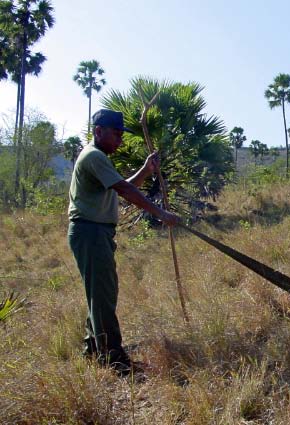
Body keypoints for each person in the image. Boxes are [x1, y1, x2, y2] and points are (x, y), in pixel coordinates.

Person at [68, 109, 180, 376]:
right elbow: (125, 190)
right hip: (91, 232)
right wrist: (161, 214)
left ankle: (94, 349)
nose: (120, 141)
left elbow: (122, 185)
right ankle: (114, 359)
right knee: (103, 295)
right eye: (116, 135)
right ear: (98, 131)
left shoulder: (98, 157)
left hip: (96, 233)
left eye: (121, 135)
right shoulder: (94, 156)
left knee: (100, 293)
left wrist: (146, 170)